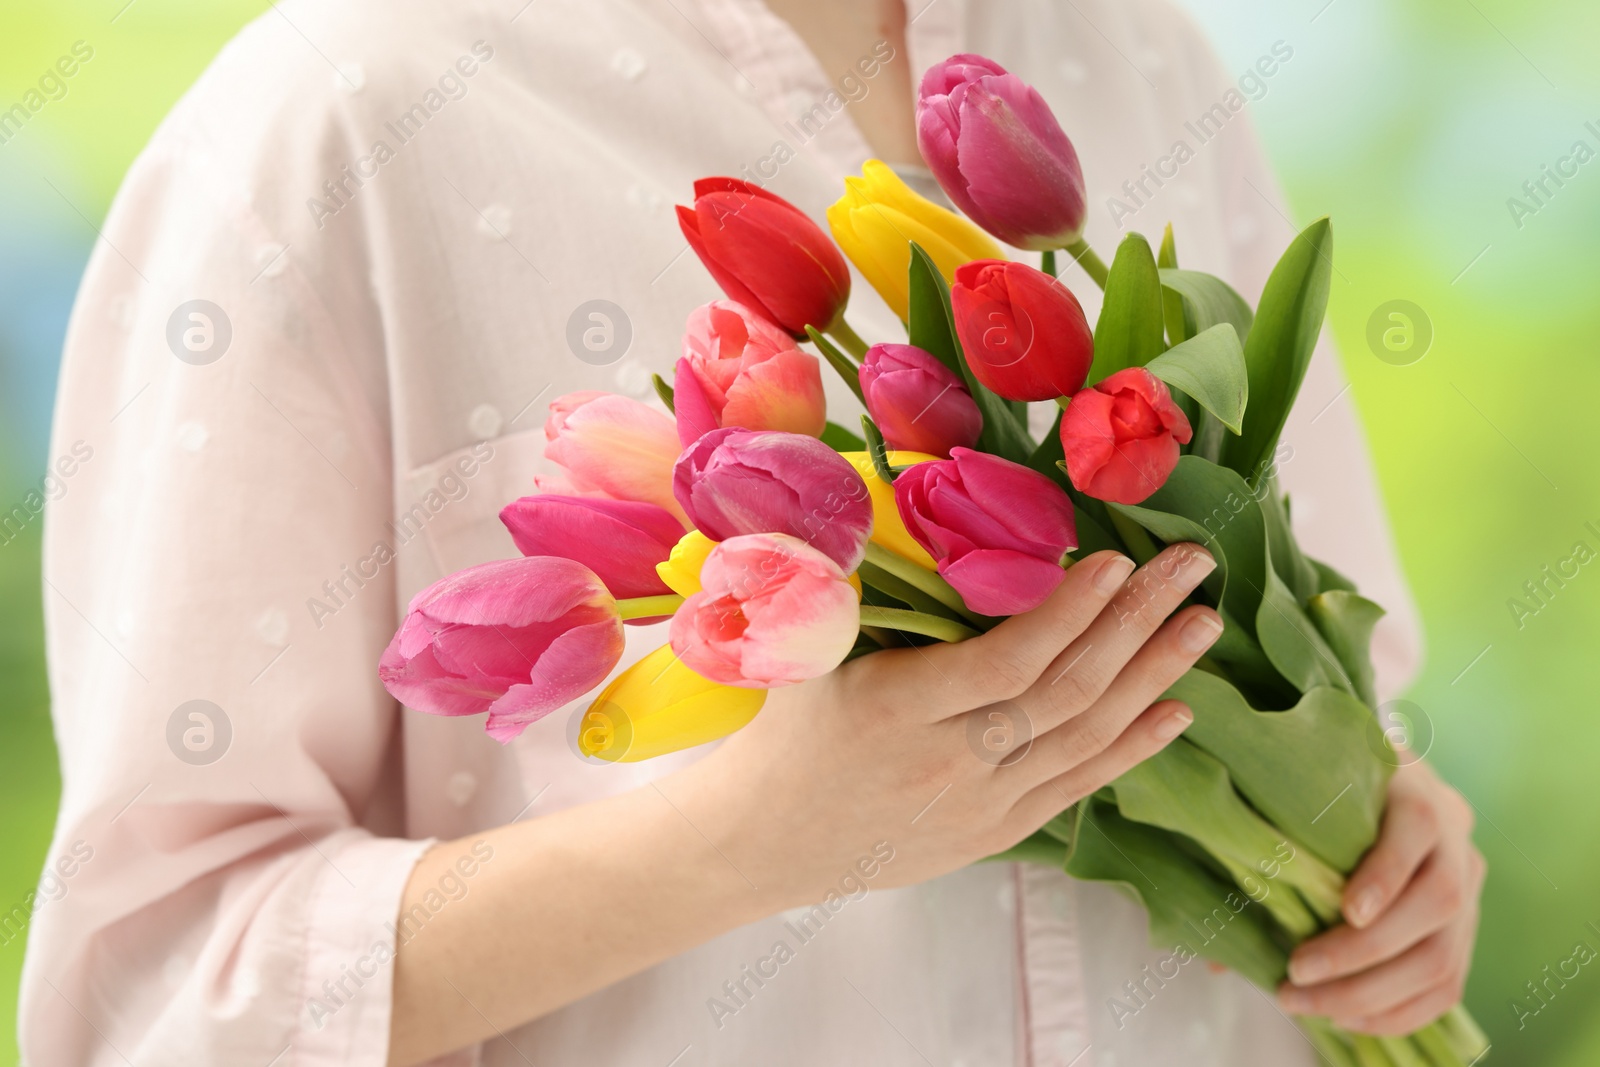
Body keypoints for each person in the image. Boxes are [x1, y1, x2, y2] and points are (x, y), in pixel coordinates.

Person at [21, 0, 1484, 1064]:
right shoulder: (324, 122)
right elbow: (157, 998)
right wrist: (745, 843)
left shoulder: (1132, 51)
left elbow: (1344, 659)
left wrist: (1389, 836)